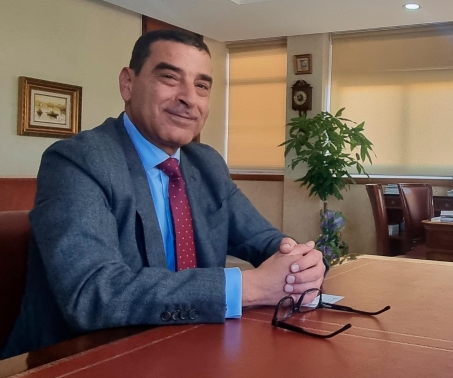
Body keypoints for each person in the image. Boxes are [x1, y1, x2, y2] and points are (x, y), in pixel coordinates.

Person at [1, 30, 325, 359]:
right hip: (80, 358)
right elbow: (92, 293)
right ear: (128, 83)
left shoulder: (207, 163)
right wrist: (249, 287)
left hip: (188, 347)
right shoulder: (77, 161)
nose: (189, 98)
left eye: (202, 85)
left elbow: (264, 239)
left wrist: (298, 263)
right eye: (170, 77)